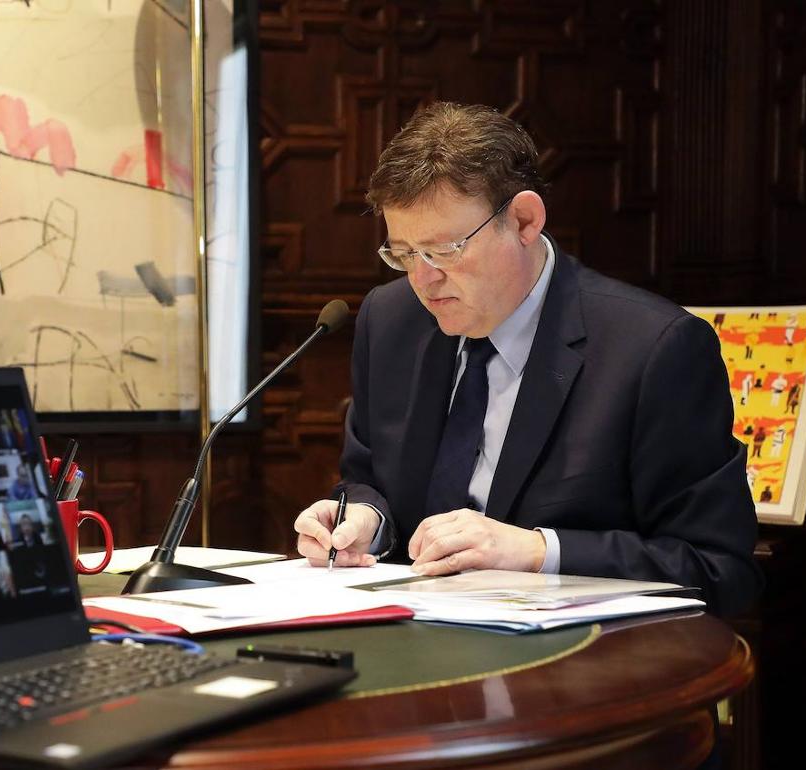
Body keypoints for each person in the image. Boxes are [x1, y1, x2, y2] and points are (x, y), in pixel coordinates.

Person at [292, 102, 760, 617]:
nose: (423, 280)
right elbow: (369, 480)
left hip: (579, 668)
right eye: (403, 254)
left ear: (524, 220)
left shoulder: (654, 349)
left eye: (443, 250)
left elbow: (717, 569)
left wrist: (538, 552)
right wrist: (362, 520)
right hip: (411, 642)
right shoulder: (391, 319)